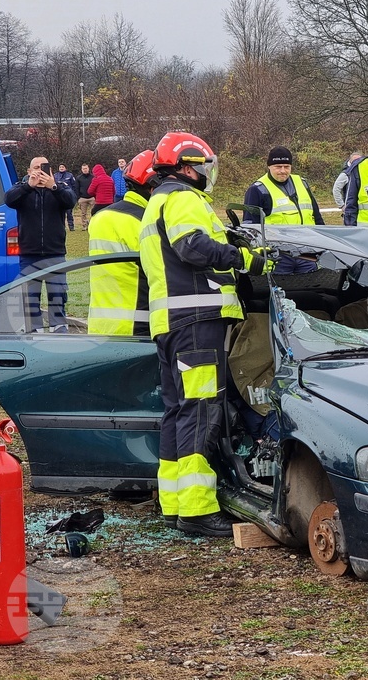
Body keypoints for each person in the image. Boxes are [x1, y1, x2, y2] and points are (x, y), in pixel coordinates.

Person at [140, 131, 270, 538]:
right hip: (197, 320)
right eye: (204, 166)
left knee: (178, 412)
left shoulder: (157, 201)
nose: (206, 174)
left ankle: (175, 504)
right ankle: (197, 512)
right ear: (186, 166)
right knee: (200, 412)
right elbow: (193, 246)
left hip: (173, 324)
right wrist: (244, 258)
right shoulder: (182, 199)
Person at [4, 156, 77, 332]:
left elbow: (71, 201)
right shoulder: (21, 189)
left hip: (55, 252)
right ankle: (34, 327)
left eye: (43, 167)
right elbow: (8, 200)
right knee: (30, 295)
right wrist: (28, 186)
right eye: (36, 167)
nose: (39, 170)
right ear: (29, 171)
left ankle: (58, 325)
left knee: (57, 293)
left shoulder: (59, 189)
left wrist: (54, 186)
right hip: (30, 253)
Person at [87, 150, 157, 336]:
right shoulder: (147, 223)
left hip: (100, 327)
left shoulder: (100, 217)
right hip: (138, 325)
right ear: (153, 187)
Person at [243, 146, 324, 274]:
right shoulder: (258, 189)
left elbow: (317, 217)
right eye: (278, 167)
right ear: (269, 166)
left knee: (311, 290)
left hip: (307, 254)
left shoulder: (302, 183)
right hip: (278, 256)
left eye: (287, 166)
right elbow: (250, 228)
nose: (283, 171)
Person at [54, 163, 77, 231]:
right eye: (60, 167)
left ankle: (71, 226)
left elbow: (74, 186)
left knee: (69, 213)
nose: (61, 168)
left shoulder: (69, 175)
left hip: (67, 197)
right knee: (60, 213)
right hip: (59, 197)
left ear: (65, 168)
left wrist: (74, 195)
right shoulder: (55, 175)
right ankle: (61, 226)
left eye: (63, 167)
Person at [74, 163, 95, 230]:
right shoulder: (78, 178)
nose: (85, 170)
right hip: (82, 198)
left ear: (88, 169)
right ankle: (84, 226)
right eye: (83, 169)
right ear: (81, 169)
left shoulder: (93, 177)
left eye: (86, 168)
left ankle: (93, 225)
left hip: (92, 198)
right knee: (83, 214)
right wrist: (78, 198)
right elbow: (76, 188)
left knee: (94, 212)